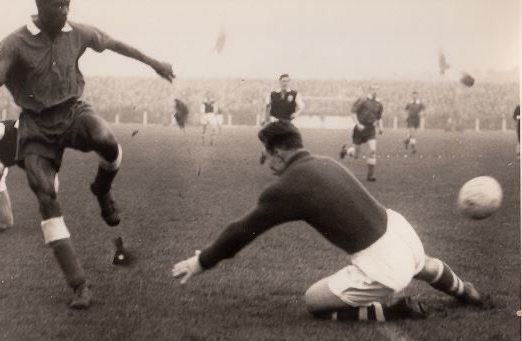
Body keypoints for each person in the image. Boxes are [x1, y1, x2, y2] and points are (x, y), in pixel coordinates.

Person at [0, 0, 175, 309]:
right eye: (58, 4)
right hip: (36, 127)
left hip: (73, 111)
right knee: (46, 197)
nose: (65, 10)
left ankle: (102, 189)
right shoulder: (14, 43)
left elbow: (113, 43)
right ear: (40, 6)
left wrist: (154, 63)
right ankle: (79, 284)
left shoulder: (77, 32)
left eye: (68, 3)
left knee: (107, 141)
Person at [173, 121, 484, 321]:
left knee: (315, 302)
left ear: (279, 152)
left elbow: (241, 231)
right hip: (401, 232)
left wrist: (202, 261)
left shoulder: (287, 186)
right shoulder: (325, 161)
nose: (267, 162)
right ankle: (464, 290)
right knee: (425, 266)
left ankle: (392, 310)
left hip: (383, 262)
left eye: (266, 155)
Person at [340, 84, 383, 182]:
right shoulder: (363, 100)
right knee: (356, 155)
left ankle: (370, 176)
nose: (375, 91)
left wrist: (380, 127)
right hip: (360, 129)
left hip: (371, 129)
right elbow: (353, 112)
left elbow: (379, 117)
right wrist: (358, 124)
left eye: (377, 89)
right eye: (373, 89)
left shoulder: (379, 104)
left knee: (373, 150)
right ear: (369, 90)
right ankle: (346, 151)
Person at [259, 74, 305, 164]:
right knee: (271, 141)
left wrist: (296, 113)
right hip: (275, 121)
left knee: (291, 142)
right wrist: (263, 119)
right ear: (280, 82)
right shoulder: (272, 94)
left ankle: (290, 160)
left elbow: (302, 106)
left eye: (287, 81)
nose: (285, 83)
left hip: (288, 122)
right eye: (283, 81)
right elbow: (267, 107)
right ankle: (264, 153)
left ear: (289, 82)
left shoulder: (294, 94)